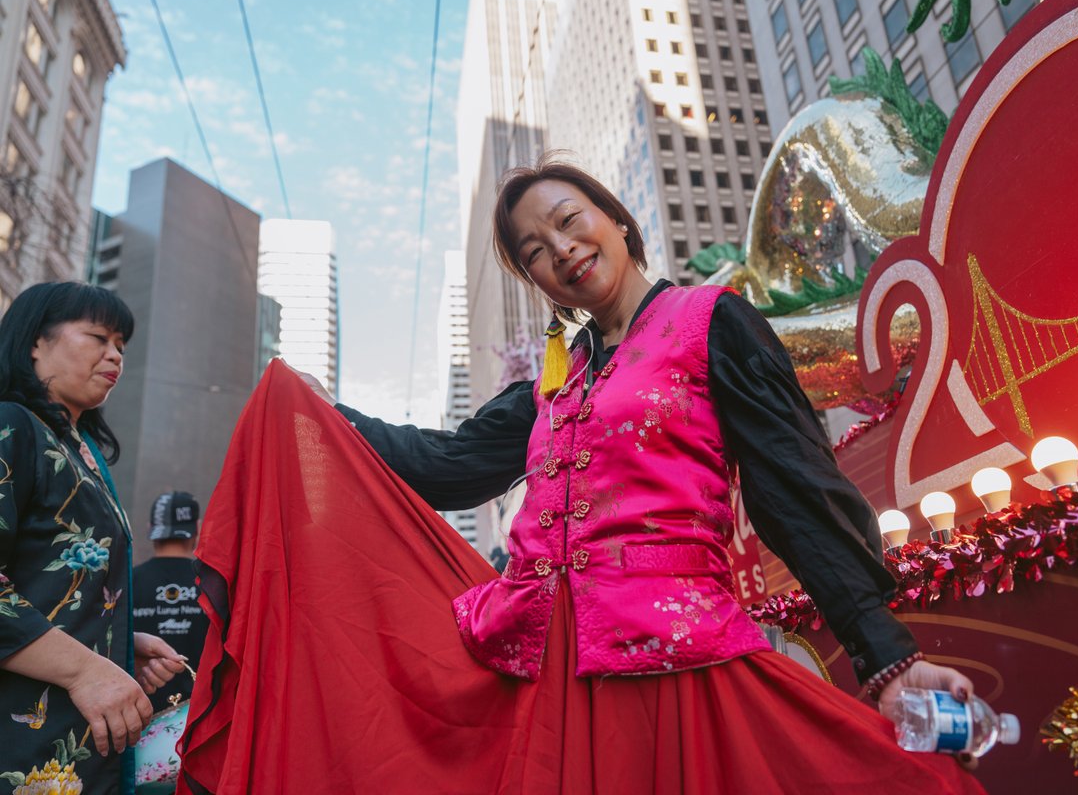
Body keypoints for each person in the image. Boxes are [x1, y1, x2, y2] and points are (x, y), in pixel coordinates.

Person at [181, 157, 984, 793]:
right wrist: (324, 412)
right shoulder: (553, 378)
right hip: (539, 678)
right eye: (535, 250)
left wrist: (887, 657)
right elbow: (450, 467)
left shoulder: (712, 322)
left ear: (619, 223)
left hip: (675, 658)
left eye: (569, 222)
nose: (560, 249)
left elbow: (795, 489)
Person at [0, 282, 186, 794]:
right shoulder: (12, 424)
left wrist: (120, 643)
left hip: (76, 741)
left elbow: (45, 583)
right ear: (36, 341)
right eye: (99, 336)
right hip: (19, 739)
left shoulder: (79, 451)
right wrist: (86, 670)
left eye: (122, 345)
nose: (115, 356)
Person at [133, 491, 208, 712]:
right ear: (197, 528)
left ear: (150, 529)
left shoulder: (127, 582)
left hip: (140, 716)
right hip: (202, 715)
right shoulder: (214, 585)